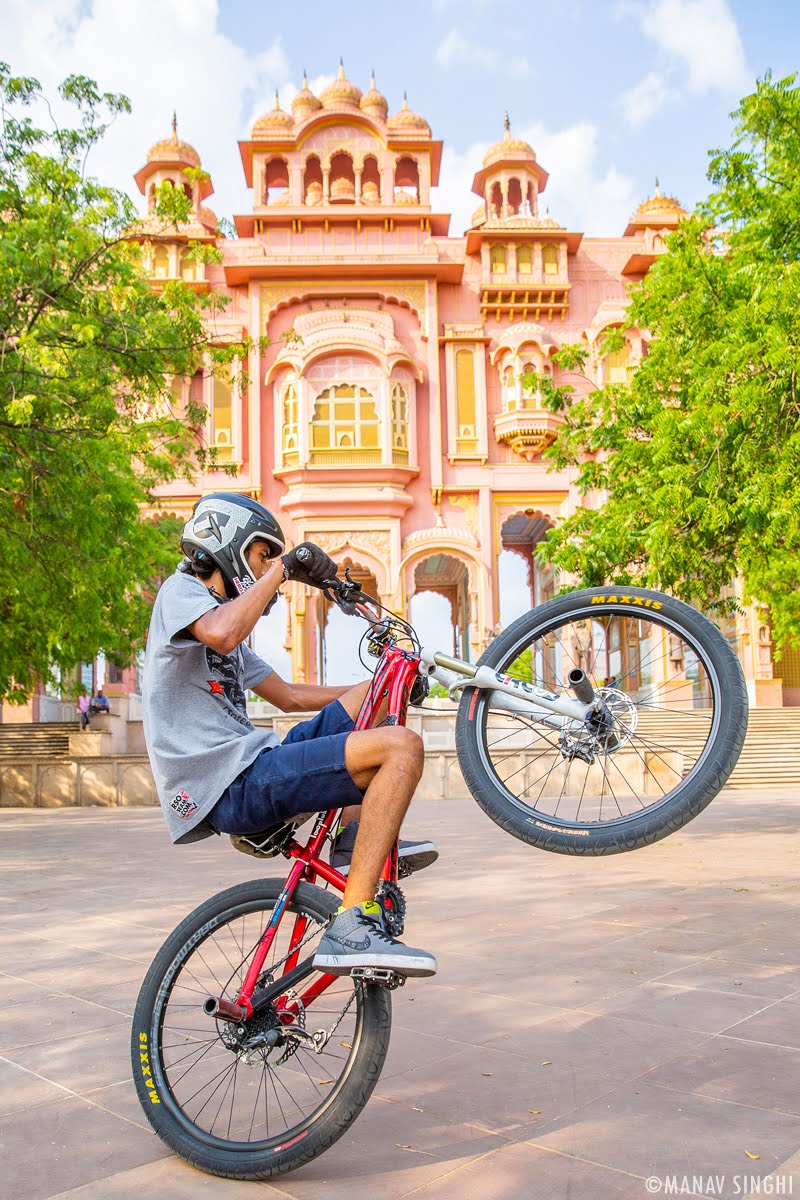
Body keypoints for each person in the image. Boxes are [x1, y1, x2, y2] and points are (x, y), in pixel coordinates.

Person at [142, 492, 438, 980]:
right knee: (402, 747)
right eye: (261, 555)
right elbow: (222, 633)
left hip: (253, 765)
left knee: (377, 698)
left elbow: (288, 696)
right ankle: (351, 923)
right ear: (229, 543)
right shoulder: (183, 592)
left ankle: (351, 843)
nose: (265, 568)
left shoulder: (217, 617)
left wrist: (387, 683)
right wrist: (282, 569)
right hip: (228, 784)